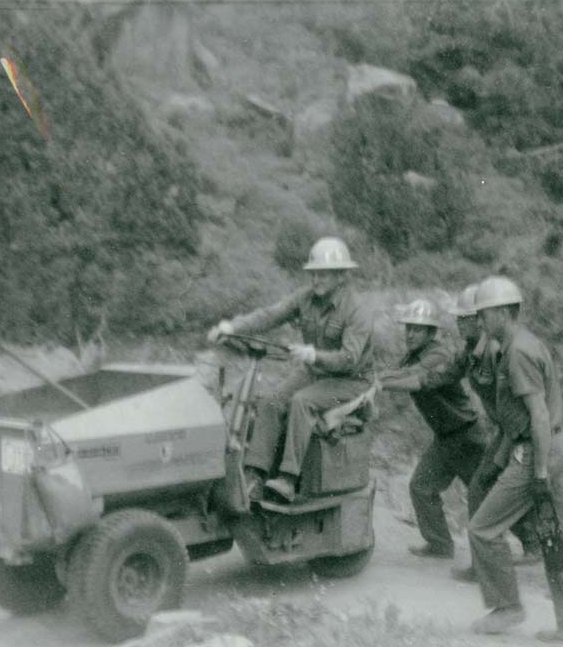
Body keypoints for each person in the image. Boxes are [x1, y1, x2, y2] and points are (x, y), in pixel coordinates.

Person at [465, 276, 563, 643]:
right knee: (558, 538)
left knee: (482, 528)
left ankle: (507, 607)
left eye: (485, 314)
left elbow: (537, 415)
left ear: (504, 313)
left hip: (539, 451)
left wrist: (537, 472)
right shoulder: (516, 345)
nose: (480, 321)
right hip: (551, 446)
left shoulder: (518, 352)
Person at [207, 236, 374, 502]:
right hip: (316, 371)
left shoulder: (357, 310)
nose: (316, 280)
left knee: (301, 402)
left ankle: (288, 478)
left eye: (324, 275)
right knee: (272, 402)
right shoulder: (306, 298)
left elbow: (349, 359)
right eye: (313, 274)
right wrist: (232, 327)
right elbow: (271, 314)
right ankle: (254, 477)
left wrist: (313, 354)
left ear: (341, 276)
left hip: (351, 381)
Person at [377, 297, 492, 560]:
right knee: (421, 486)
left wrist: (378, 381)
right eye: (408, 328)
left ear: (431, 333)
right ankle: (440, 544)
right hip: (446, 438)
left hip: (466, 436)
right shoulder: (412, 356)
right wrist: (374, 377)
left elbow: (413, 377)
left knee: (488, 495)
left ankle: (532, 542)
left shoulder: (437, 354)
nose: (410, 333)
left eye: (418, 329)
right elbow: (396, 373)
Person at [447, 283, 541, 580]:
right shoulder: (474, 352)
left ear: (480, 318)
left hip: (522, 435)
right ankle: (560, 566)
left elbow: (526, 409)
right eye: (459, 318)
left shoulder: (499, 352)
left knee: (488, 489)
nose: (460, 324)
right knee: (492, 489)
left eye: (466, 318)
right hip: (512, 432)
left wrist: (502, 456)